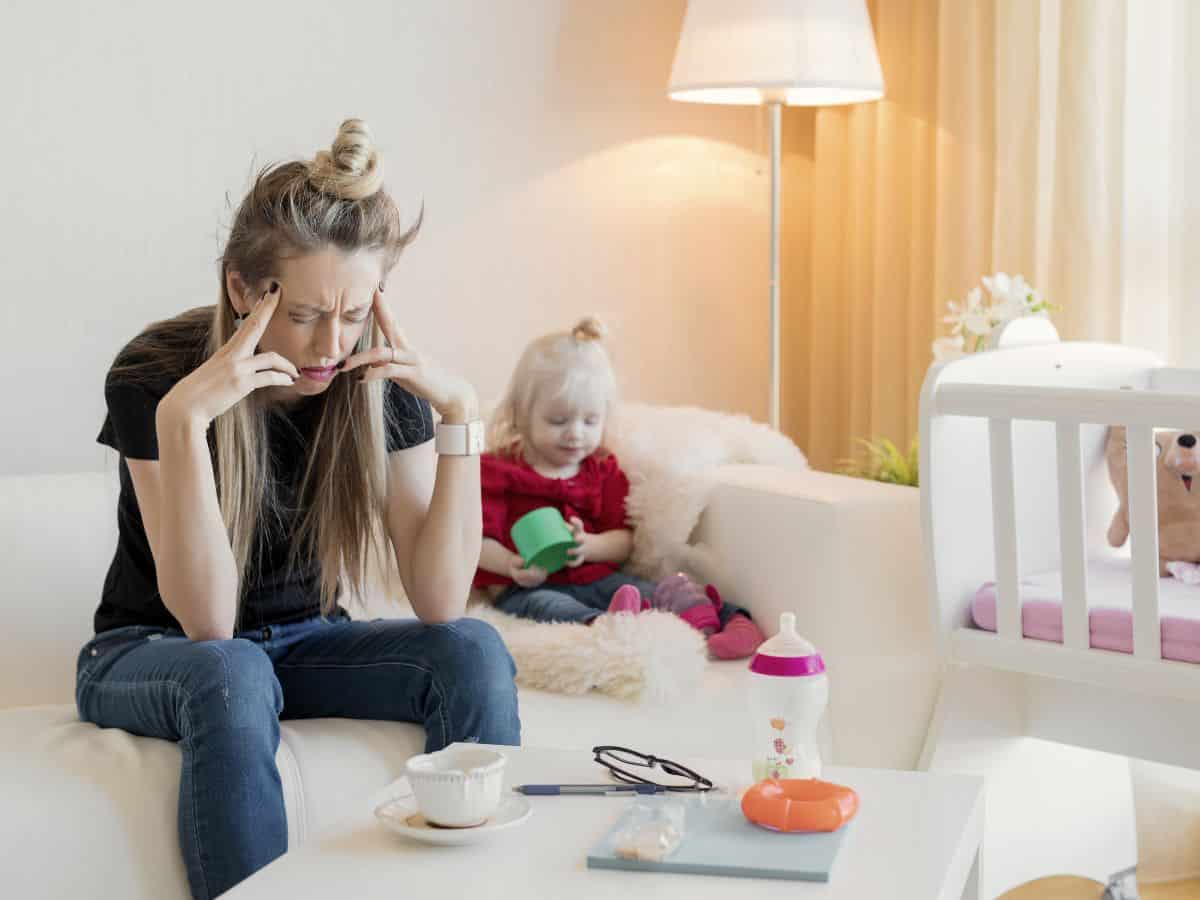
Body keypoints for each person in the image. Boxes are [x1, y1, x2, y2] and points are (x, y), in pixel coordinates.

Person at [76, 119, 519, 899]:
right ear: (243, 288)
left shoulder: (373, 381)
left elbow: (441, 599)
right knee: (234, 668)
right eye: (308, 314)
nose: (330, 347)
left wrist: (461, 416)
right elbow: (208, 625)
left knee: (473, 650)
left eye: (353, 316)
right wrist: (184, 424)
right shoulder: (155, 375)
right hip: (149, 651)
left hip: (307, 640)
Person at [474, 316, 766, 659]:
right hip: (532, 585)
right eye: (558, 421)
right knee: (543, 606)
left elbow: (624, 542)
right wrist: (510, 564)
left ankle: (730, 619)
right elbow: (476, 540)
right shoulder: (497, 471)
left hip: (599, 579)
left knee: (655, 589)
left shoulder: (602, 471)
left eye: (590, 421)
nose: (575, 433)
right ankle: (606, 623)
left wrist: (590, 545)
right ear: (521, 415)